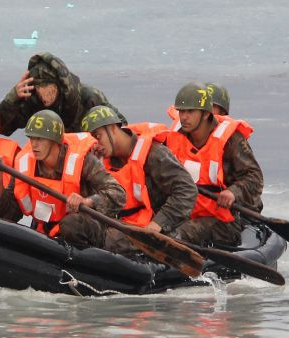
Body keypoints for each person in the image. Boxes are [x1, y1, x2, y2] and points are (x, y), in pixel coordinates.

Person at [0, 109, 126, 250]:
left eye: (40, 139)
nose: (34, 144)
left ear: (55, 141)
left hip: (82, 229)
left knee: (70, 225)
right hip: (44, 230)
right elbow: (9, 213)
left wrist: (87, 201)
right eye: (31, 138)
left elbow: (118, 193)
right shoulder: (24, 163)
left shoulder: (83, 161)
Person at [157, 82, 264, 246]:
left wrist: (232, 192)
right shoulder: (173, 137)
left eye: (190, 111)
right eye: (181, 111)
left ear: (206, 114)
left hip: (222, 218)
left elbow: (255, 178)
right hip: (183, 211)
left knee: (177, 235)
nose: (184, 117)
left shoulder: (231, 140)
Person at [80, 105, 197, 253]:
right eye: (92, 140)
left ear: (113, 129)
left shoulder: (154, 154)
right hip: (121, 225)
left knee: (106, 240)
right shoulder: (101, 160)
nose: (96, 145)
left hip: (156, 230)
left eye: (98, 136)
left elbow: (187, 190)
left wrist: (157, 225)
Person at [0, 52, 126, 136]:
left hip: (89, 161)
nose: (43, 93)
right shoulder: (34, 102)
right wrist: (12, 99)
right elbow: (1, 128)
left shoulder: (88, 97)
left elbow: (122, 128)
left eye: (47, 86)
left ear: (59, 85)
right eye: (38, 87)